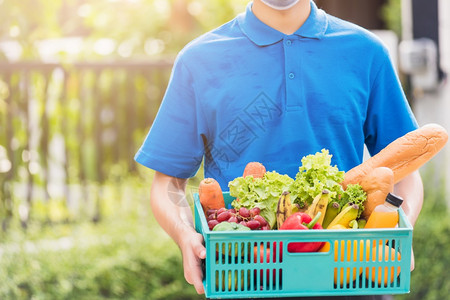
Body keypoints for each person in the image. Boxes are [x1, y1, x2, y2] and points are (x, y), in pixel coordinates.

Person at [135, 0, 423, 299]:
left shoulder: (366, 52)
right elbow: (169, 182)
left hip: (349, 274)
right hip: (240, 274)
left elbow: (406, 170)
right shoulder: (199, 60)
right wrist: (184, 235)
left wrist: (402, 228)